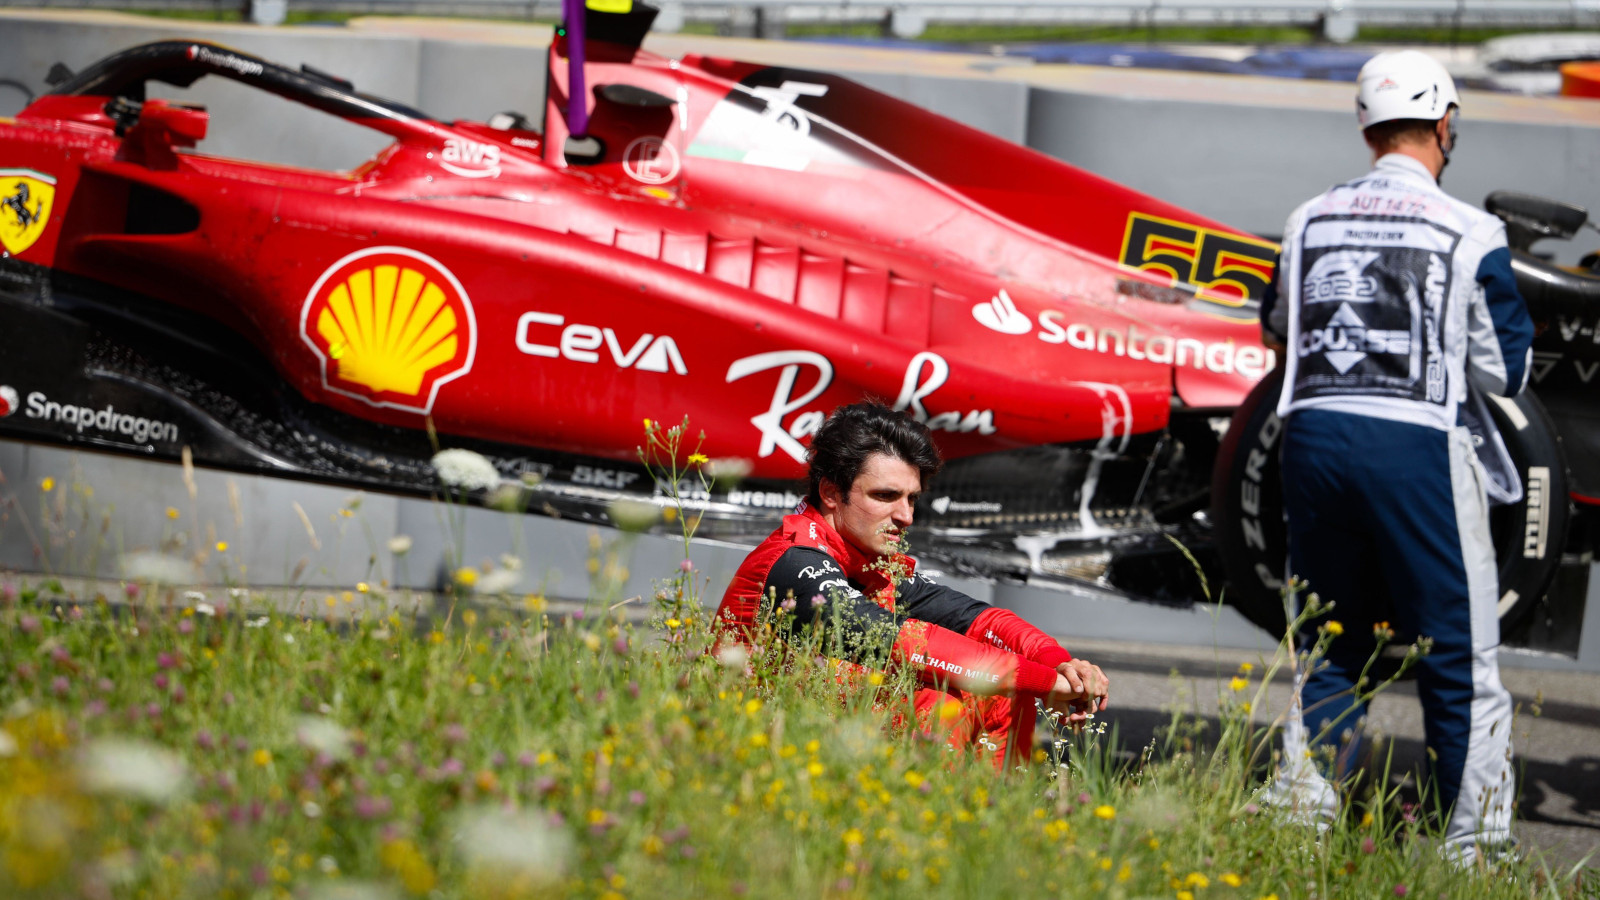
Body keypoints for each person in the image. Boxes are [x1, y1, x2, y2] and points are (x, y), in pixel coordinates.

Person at [1261, 50, 1534, 863]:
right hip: (1417, 447)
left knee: (1328, 638)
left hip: (1307, 443)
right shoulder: (1473, 231)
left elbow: (1277, 326)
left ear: (1364, 125)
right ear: (1446, 125)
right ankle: (1475, 850)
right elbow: (1505, 370)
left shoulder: (1306, 216)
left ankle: (1296, 819)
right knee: (1461, 650)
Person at [715, 402, 1109, 767]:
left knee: (1000, 684)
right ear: (831, 493)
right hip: (750, 754)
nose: (905, 516)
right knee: (946, 695)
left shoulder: (870, 562)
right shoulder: (792, 562)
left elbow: (983, 619)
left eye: (911, 499)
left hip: (826, 737)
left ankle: (991, 818)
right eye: (885, 496)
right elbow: (901, 643)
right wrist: (1046, 684)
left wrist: (1060, 664)